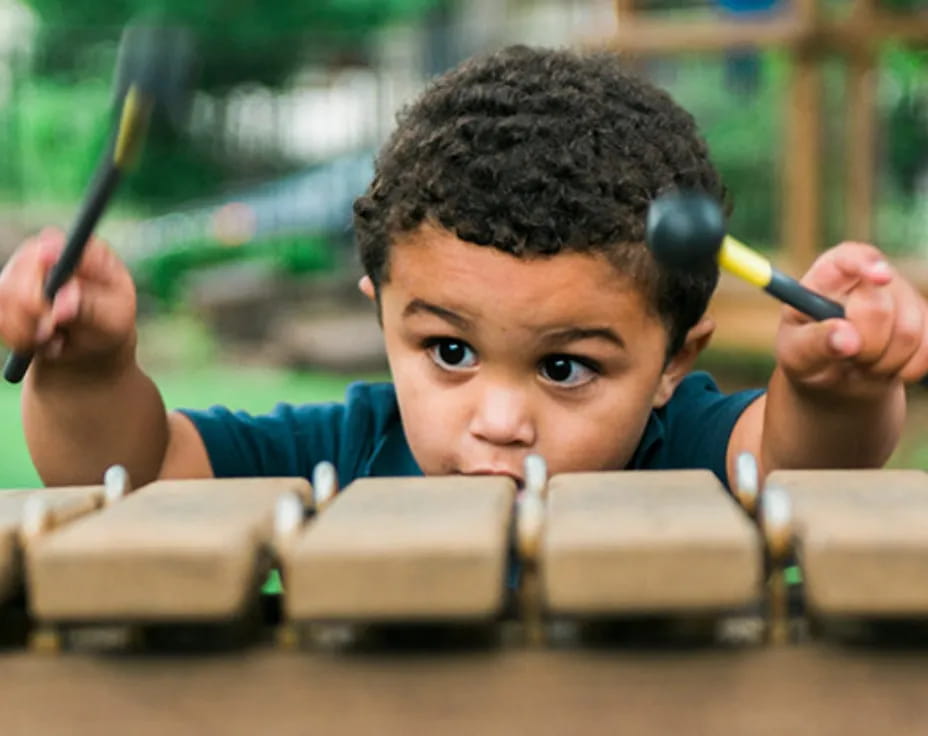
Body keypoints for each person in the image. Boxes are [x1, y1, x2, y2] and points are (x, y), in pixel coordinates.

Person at [1, 45, 926, 493]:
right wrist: (86, 368)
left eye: (567, 368)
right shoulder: (353, 451)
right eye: (448, 352)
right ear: (383, 315)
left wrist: (836, 387)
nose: (497, 423)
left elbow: (814, 456)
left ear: (673, 365)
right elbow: (138, 469)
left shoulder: (680, 449)